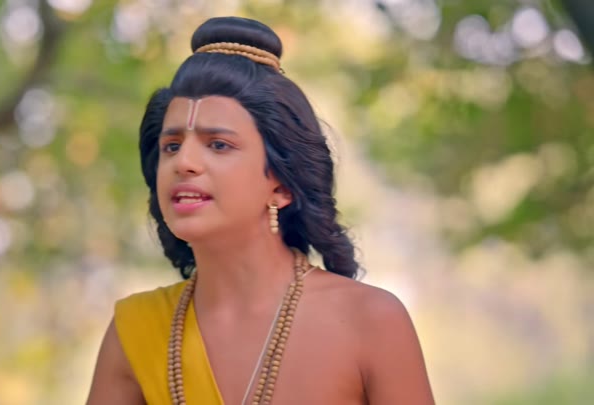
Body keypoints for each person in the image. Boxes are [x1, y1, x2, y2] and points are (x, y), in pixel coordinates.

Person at [86, 16, 434, 405]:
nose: (183, 162)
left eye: (218, 145)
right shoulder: (137, 331)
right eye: (171, 146)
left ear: (282, 184)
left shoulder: (370, 321)